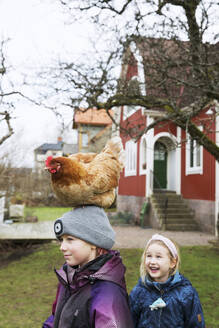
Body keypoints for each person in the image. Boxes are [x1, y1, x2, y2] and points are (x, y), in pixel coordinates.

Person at [42, 205, 134, 328]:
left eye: (70, 239)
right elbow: (56, 317)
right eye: (61, 240)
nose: (62, 247)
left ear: (93, 243)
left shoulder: (107, 292)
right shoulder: (69, 278)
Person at [129, 233, 205, 328]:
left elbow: (196, 324)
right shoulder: (139, 292)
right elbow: (130, 322)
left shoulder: (186, 293)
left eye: (158, 257)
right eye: (149, 256)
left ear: (172, 262)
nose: (152, 261)